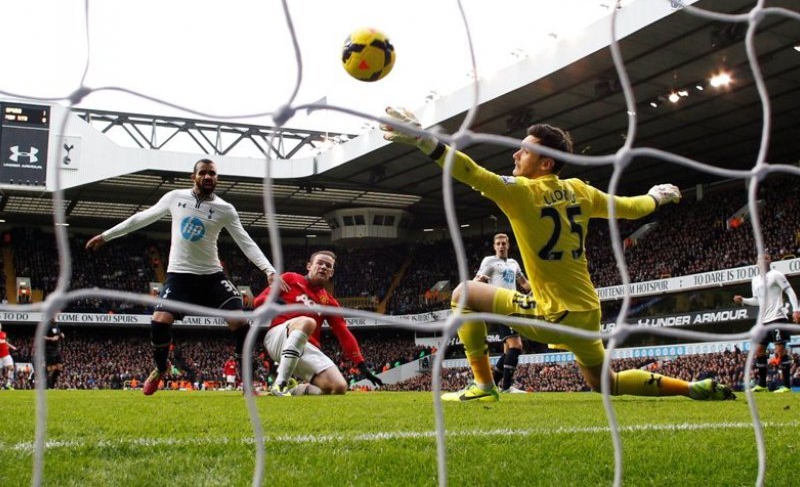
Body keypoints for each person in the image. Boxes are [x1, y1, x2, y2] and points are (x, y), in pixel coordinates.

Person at [382, 107, 736, 402]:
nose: (515, 155)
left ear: (547, 163)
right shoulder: (580, 191)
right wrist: (658, 196)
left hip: (554, 313)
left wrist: (423, 140)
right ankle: (694, 388)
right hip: (587, 311)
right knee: (605, 383)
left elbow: (470, 171)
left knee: (464, 293)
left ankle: (484, 385)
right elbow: (631, 208)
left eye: (524, 150)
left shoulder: (521, 192)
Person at [86, 158, 282, 396]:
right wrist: (106, 236)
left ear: (216, 178)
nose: (208, 177)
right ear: (194, 177)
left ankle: (248, 385)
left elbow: (246, 242)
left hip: (212, 277)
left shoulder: (225, 209)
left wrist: (269, 270)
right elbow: (142, 218)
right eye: (203, 173)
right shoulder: (175, 197)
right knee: (159, 322)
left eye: (212, 173)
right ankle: (161, 367)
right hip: (179, 276)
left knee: (241, 323)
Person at [253, 250, 383, 396]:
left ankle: (295, 390)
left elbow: (343, 333)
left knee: (338, 387)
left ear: (331, 273)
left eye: (328, 266)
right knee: (308, 322)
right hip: (278, 337)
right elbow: (258, 302)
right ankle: (280, 384)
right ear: (309, 266)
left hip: (306, 347)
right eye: (319, 263)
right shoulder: (290, 278)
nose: (323, 267)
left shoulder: (329, 302)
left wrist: (362, 365)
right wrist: (273, 301)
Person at [733, 253, 799, 393]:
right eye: (761, 258)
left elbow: (790, 291)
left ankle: (787, 386)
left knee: (780, 351)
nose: (764, 259)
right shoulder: (755, 280)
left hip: (777, 318)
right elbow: (757, 300)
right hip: (763, 321)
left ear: (770, 260)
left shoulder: (776, 274)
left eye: (767, 257)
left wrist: (796, 310)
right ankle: (762, 384)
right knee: (759, 351)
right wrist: (743, 300)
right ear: (757, 262)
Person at [474, 233, 531, 392]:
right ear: (494, 246)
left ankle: (492, 385)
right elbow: (478, 281)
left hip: (513, 307)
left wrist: (540, 288)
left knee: (508, 350)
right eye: (498, 243)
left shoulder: (513, 263)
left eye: (503, 243)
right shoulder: (490, 261)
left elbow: (524, 283)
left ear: (508, 245)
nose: (501, 246)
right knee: (516, 346)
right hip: (500, 307)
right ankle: (506, 387)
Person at [43, 320, 65, 389]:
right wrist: (51, 338)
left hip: (56, 349)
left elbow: (57, 334)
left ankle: (51, 385)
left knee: (60, 367)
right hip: (49, 349)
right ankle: (46, 385)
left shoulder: (56, 325)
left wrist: (61, 334)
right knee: (49, 368)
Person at [0, 322, 18, 389]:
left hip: (6, 354)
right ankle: (1, 385)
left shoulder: (4, 334)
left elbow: (5, 342)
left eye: (0, 325)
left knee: (12, 368)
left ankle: (8, 384)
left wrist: (12, 346)